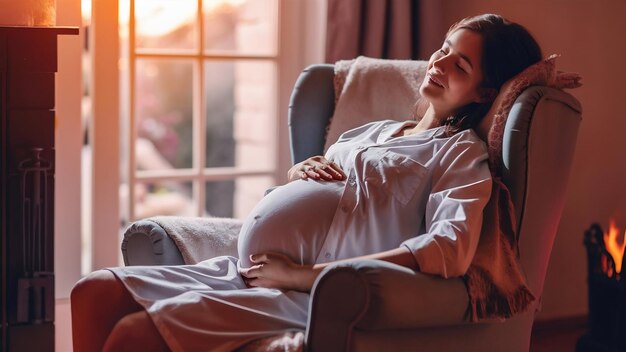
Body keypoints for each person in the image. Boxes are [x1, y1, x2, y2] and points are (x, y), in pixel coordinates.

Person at [71, 13, 543, 352]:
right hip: (246, 272)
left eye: (460, 65)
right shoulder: (373, 131)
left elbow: (449, 249)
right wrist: (301, 173)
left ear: (486, 92)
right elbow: (323, 197)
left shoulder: (460, 152)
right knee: (92, 293)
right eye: (443, 49)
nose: (439, 64)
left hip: (303, 294)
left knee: (132, 338)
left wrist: (303, 276)